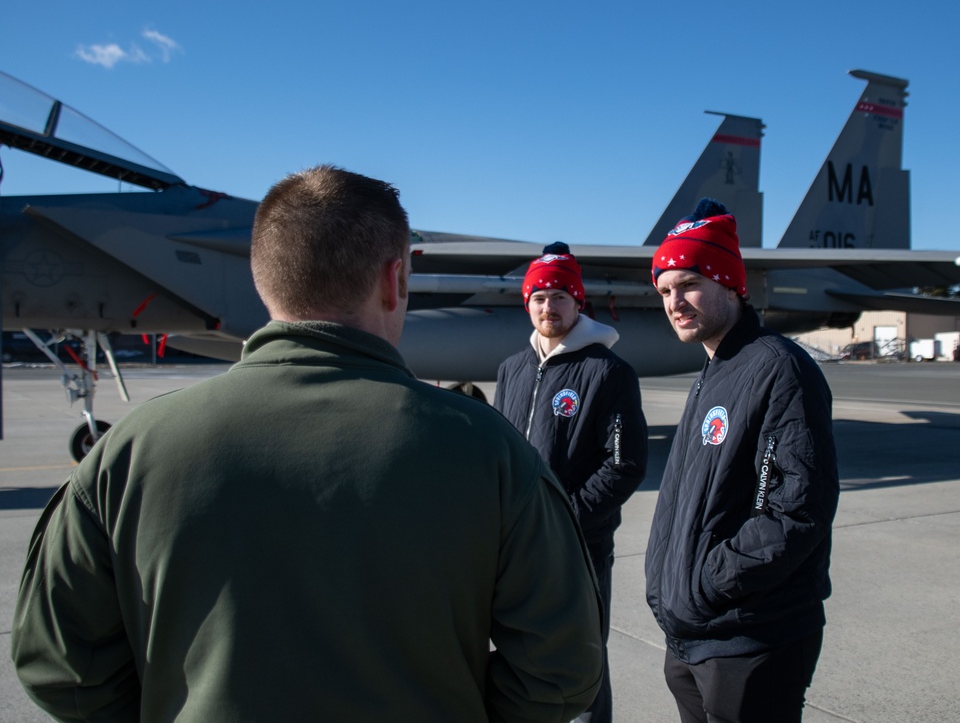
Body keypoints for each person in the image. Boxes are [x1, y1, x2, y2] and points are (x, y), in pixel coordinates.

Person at [10, 166, 604, 723]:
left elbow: (60, 664)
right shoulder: (489, 451)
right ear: (394, 280)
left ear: (263, 277)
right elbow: (561, 668)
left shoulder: (129, 452)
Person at [644, 199, 840, 723]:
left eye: (688, 284)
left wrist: (706, 583)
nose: (674, 302)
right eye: (664, 290)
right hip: (695, 637)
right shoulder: (715, 370)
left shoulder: (778, 369)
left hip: (752, 639)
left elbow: (793, 511)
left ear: (729, 282)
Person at [493, 242, 648, 723]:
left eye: (560, 295)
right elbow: (501, 452)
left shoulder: (608, 372)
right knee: (518, 659)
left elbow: (623, 464)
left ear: (578, 303)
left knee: (581, 662)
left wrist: (565, 521)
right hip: (516, 548)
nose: (548, 306)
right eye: (539, 296)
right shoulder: (512, 370)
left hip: (580, 546)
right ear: (527, 304)